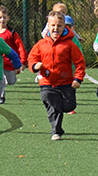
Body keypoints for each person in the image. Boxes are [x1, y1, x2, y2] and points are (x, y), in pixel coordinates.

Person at [28, 11, 86, 140]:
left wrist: (78, 78)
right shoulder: (41, 44)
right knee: (50, 99)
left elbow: (80, 62)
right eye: (53, 25)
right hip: (47, 82)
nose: (56, 28)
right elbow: (32, 57)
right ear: (48, 26)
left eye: (59, 25)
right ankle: (56, 131)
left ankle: (58, 121)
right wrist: (34, 65)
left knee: (69, 106)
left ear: (64, 27)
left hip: (66, 82)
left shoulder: (69, 44)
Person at [0, 6, 27, 104]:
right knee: (0, 80)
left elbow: (20, 46)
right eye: (0, 17)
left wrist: (23, 61)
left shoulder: (11, 33)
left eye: (4, 17)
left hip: (10, 63)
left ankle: (7, 82)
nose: (2, 20)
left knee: (11, 81)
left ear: (8, 18)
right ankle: (0, 96)